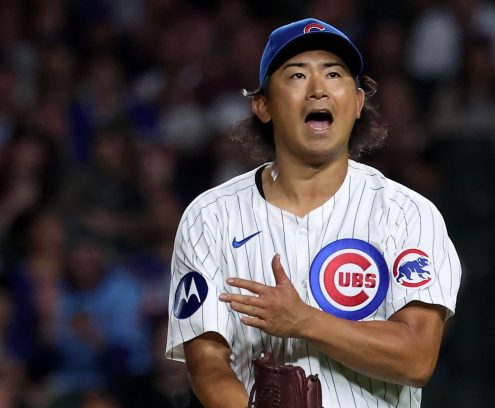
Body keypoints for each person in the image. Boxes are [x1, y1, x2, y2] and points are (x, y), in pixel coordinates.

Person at [166, 17, 461, 408]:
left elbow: (417, 357)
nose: (318, 89)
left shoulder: (407, 214)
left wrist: (302, 320)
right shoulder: (210, 217)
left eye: (334, 74)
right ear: (263, 106)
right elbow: (206, 360)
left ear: (357, 104)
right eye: (297, 75)